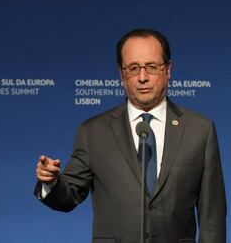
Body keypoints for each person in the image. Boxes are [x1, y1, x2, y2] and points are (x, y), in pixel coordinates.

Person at [35, 28, 226, 242]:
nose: (142, 77)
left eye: (152, 67)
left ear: (168, 69)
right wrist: (50, 182)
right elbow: (69, 196)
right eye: (133, 68)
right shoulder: (93, 132)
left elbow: (213, 217)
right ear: (121, 74)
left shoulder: (199, 130)